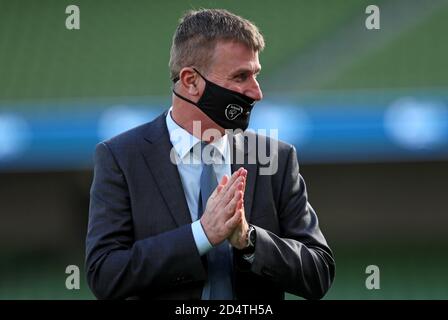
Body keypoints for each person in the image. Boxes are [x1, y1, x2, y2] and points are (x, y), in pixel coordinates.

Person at [85, 8, 335, 300]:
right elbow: (104, 274)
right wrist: (201, 235)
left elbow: (319, 272)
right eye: (241, 76)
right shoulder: (121, 157)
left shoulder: (275, 158)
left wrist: (250, 240)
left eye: (255, 75)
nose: (256, 92)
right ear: (191, 81)